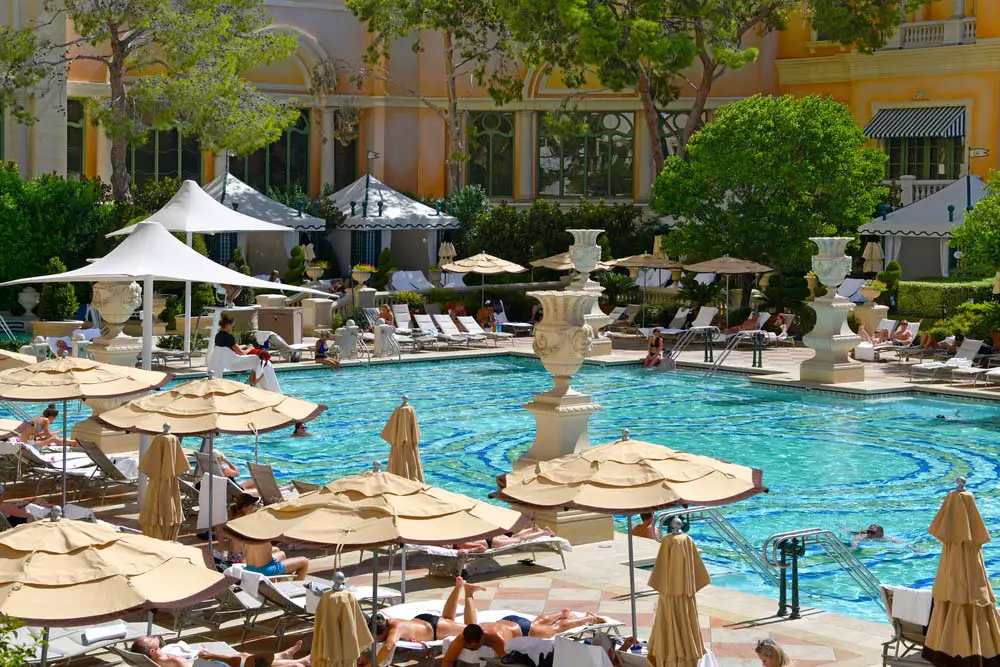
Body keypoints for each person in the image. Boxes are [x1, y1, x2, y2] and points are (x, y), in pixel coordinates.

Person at [360, 577, 485, 667]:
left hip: (434, 628)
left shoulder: (395, 629)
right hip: (424, 622)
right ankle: (458, 587)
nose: (375, 640)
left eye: (376, 637)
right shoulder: (387, 622)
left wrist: (371, 665)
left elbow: (388, 646)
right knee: (447, 619)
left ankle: (468, 593)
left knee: (471, 629)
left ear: (384, 631)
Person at [224, 493, 309, 580]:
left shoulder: (247, 530)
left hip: (250, 569)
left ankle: (280, 584)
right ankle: (292, 587)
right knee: (304, 561)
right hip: (266, 570)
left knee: (281, 554)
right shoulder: (265, 532)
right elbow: (282, 536)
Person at [131, 636, 311, 667]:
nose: (151, 635)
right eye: (148, 638)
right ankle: (297, 662)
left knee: (244, 657)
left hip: (205, 663)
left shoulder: (165, 654)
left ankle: (284, 656)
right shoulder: (171, 660)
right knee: (250, 661)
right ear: (153, 651)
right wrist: (212, 657)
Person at [446, 526, 556, 555]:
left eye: (447, 546)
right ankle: (532, 530)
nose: (448, 547)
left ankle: (544, 533)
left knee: (518, 539)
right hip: (489, 539)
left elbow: (481, 548)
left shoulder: (460, 544)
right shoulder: (458, 539)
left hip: (492, 543)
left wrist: (469, 551)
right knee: (514, 537)